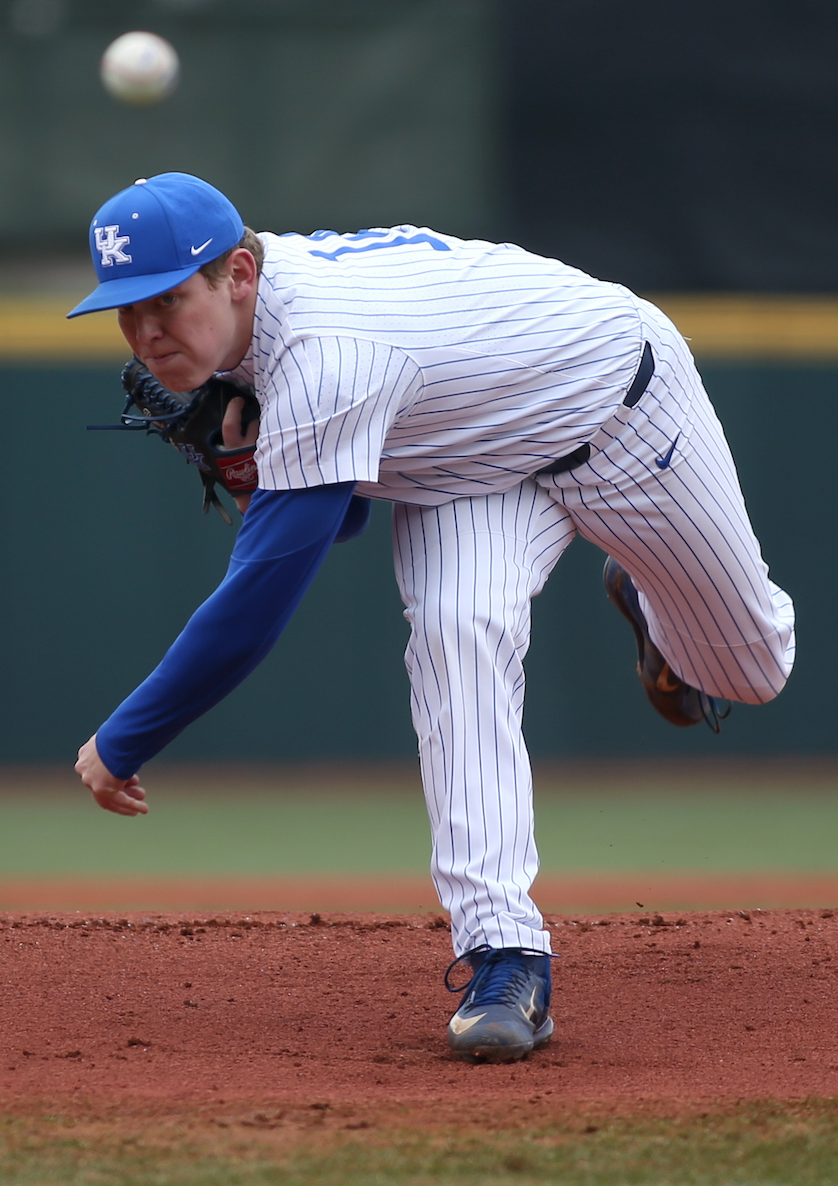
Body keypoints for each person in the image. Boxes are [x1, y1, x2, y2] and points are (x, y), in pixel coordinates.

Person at [70, 172, 795, 1064]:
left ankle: (654, 604)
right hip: (467, 469)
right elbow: (342, 514)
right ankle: (505, 956)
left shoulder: (327, 349)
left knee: (753, 671)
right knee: (456, 633)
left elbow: (260, 601)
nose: (147, 332)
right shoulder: (260, 337)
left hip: (621, 413)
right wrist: (265, 460)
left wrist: (125, 738)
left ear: (240, 275)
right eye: (127, 309)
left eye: (168, 300)